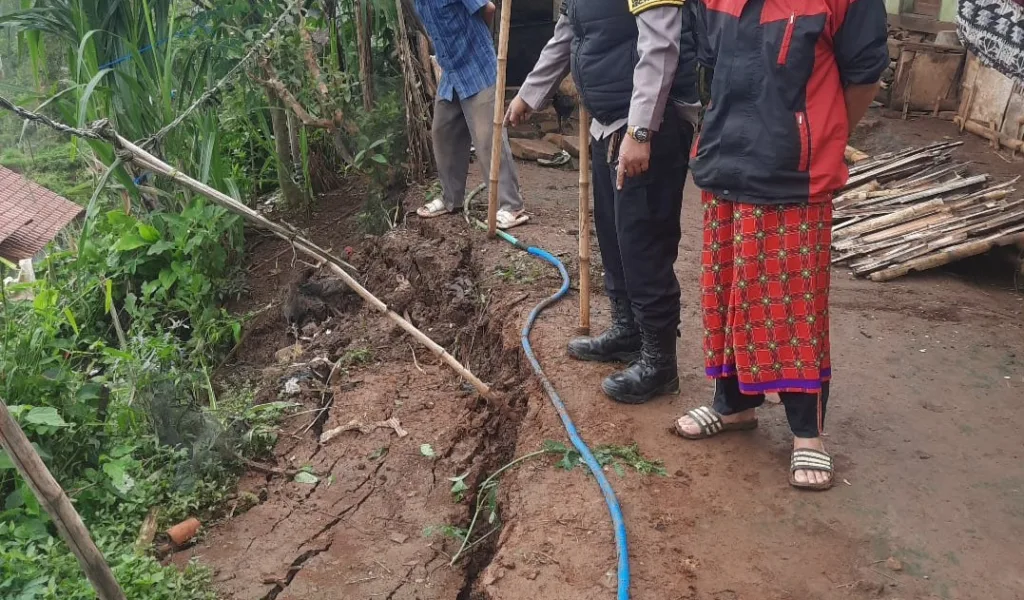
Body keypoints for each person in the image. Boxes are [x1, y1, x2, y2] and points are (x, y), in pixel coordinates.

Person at [673, 0, 889, 490]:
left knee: (791, 305)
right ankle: (733, 405)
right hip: (726, 160)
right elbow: (712, 65)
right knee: (727, 291)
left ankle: (807, 432)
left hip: (794, 173)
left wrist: (818, 137)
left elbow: (864, 77)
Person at [506, 0, 700, 405]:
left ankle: (660, 361)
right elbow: (568, 32)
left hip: (649, 124)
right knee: (614, 237)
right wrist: (531, 93)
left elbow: (660, 44)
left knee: (643, 242)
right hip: (609, 121)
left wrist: (641, 130)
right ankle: (627, 331)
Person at [412, 0, 528, 229]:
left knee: (487, 137)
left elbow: (488, 8)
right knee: (443, 131)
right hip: (452, 72)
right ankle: (451, 199)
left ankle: (511, 206)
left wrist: (475, 42)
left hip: (477, 66)